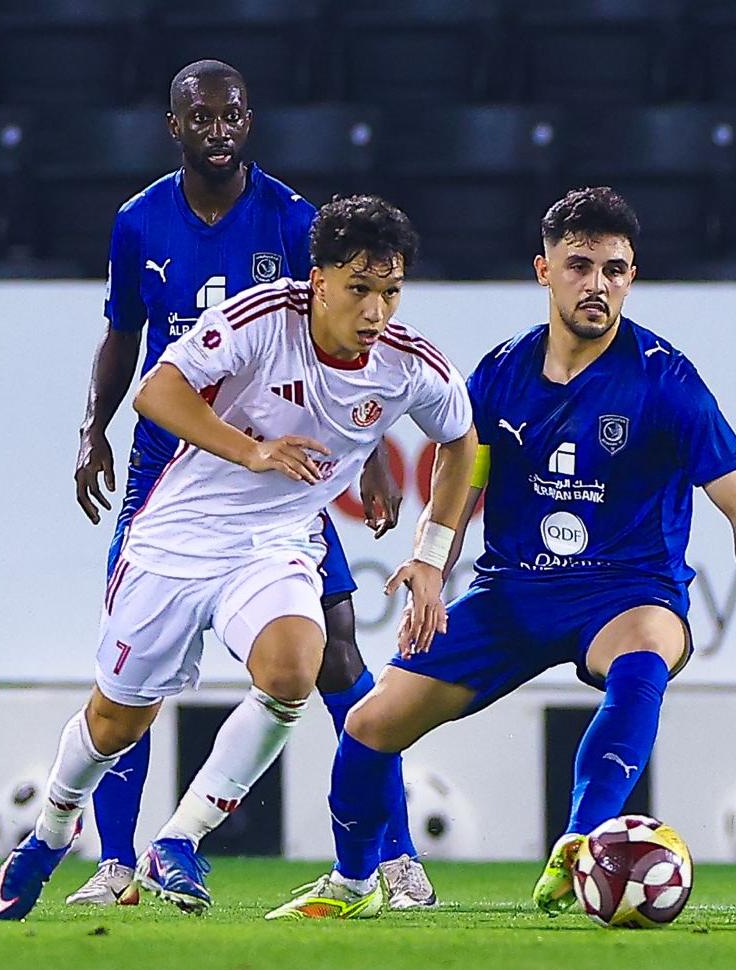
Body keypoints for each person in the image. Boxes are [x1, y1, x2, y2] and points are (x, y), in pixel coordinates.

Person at [0, 194, 478, 920]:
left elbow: (461, 441)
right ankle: (51, 833)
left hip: (275, 544)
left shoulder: (408, 365)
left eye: (391, 292)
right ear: (318, 280)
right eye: (359, 289)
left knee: (295, 669)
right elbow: (157, 393)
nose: (376, 311)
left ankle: (178, 841)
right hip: (178, 537)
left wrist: (432, 559)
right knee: (116, 722)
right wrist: (253, 450)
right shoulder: (263, 317)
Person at [266, 185, 736, 921]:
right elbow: (463, 474)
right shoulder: (502, 373)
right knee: (370, 724)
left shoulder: (666, 379)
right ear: (544, 270)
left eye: (615, 270)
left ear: (631, 277)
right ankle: (355, 881)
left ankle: (581, 842)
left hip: (627, 593)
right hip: (512, 594)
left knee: (644, 655)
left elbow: (731, 492)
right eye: (580, 266)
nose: (598, 285)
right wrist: (430, 563)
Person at [68, 58, 421, 910]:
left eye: (232, 116)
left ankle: (396, 856)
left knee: (338, 651)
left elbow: (345, 342)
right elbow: (123, 336)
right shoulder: (139, 221)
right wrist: (92, 429)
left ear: (249, 121)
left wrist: (372, 451)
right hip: (169, 472)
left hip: (281, 473)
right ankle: (115, 864)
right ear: (175, 126)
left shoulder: (294, 220)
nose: (219, 130)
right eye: (202, 117)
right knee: (133, 667)